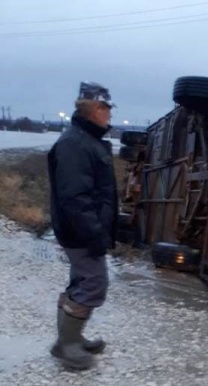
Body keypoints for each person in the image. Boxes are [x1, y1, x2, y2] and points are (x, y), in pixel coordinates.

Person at [47, 82, 118, 369]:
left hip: (82, 228)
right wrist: (95, 234)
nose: (109, 115)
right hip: (81, 230)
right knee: (93, 283)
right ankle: (68, 344)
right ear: (94, 110)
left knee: (81, 281)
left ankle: (68, 340)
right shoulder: (75, 144)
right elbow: (74, 197)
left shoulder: (85, 139)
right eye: (106, 109)